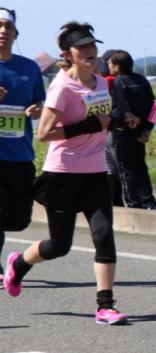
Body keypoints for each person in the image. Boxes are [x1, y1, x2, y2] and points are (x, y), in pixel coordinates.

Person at [3, 21, 129, 324]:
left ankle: (105, 306)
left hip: (96, 171)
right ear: (68, 54)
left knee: (103, 235)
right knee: (59, 245)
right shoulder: (61, 86)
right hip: (63, 174)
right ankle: (19, 264)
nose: (90, 52)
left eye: (92, 46)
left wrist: (118, 120)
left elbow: (98, 118)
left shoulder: (101, 83)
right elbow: (44, 133)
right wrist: (86, 127)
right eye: (82, 48)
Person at [0, 7, 44, 259]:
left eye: (8, 27)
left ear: (17, 34)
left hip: (19, 155)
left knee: (17, 220)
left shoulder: (29, 68)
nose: (3, 31)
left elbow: (39, 101)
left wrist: (37, 109)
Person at [105, 50, 156, 209]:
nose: (108, 67)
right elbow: (153, 107)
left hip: (122, 131)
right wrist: (147, 129)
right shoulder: (142, 80)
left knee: (125, 169)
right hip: (141, 132)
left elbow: (120, 107)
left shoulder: (118, 82)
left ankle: (133, 203)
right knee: (141, 167)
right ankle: (148, 201)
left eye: (109, 64)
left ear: (116, 66)